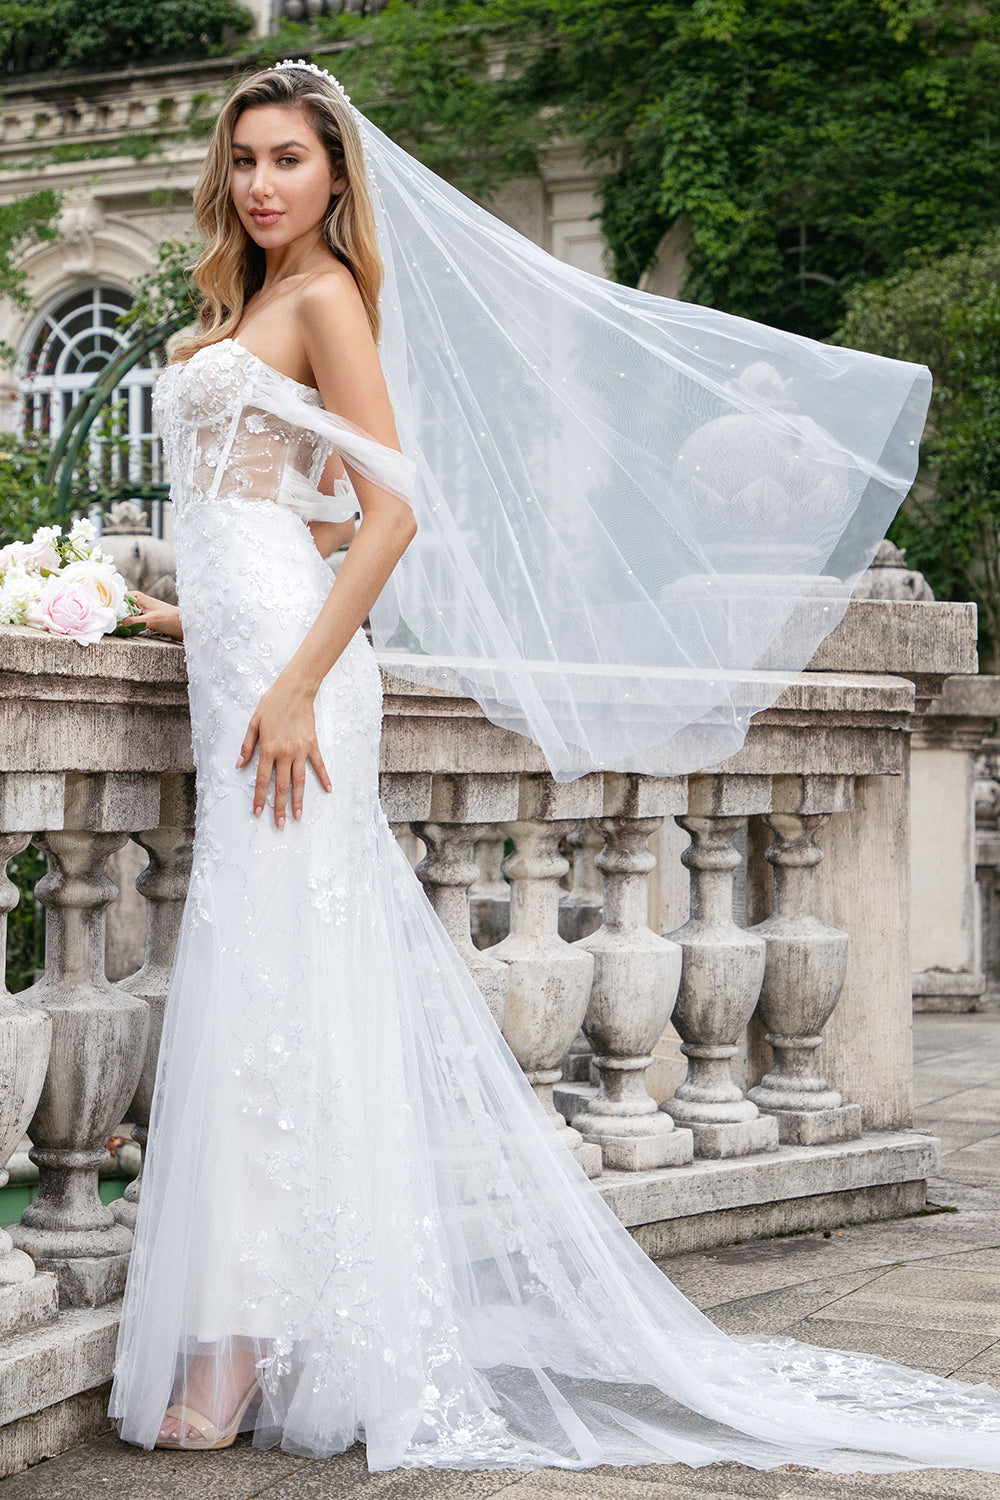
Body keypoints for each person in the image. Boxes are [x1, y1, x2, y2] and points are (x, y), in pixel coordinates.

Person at [110, 62, 1000, 1474]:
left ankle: (238, 1346)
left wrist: (288, 677)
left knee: (282, 978)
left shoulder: (326, 297)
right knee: (257, 977)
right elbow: (299, 506)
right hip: (238, 658)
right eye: (247, 161)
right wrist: (197, 612)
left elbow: (396, 515)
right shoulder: (245, 310)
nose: (264, 182)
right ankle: (263, 1328)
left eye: (289, 158)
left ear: (337, 175)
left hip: (290, 691)